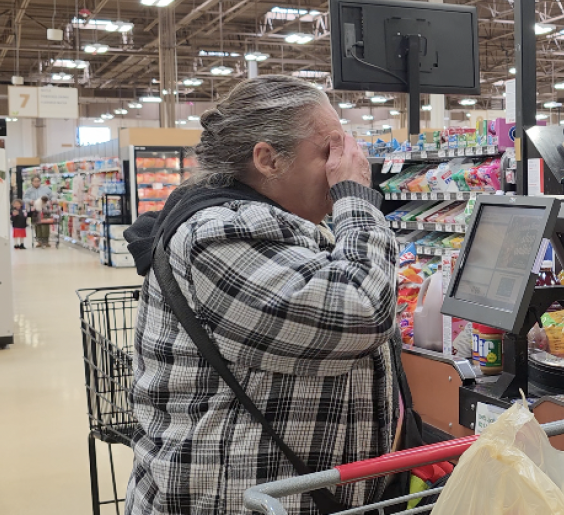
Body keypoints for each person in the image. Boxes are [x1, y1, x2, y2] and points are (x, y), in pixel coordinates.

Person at [124, 76, 401, 514]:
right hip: (233, 501)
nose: (342, 164)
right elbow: (361, 312)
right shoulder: (217, 234)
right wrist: (357, 201)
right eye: (329, 150)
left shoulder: (279, 222)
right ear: (268, 159)